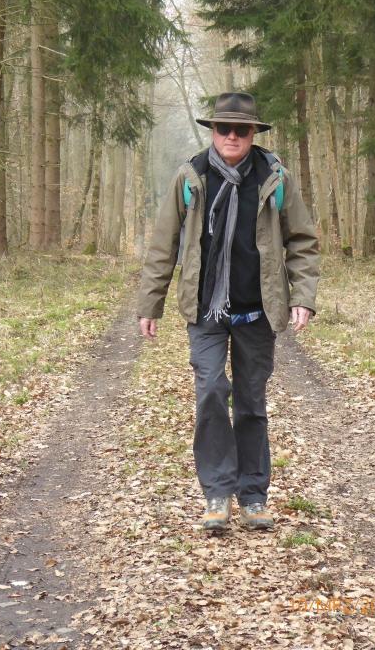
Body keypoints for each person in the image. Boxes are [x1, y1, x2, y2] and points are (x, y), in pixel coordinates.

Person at [136, 92, 320, 532]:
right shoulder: (192, 176)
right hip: (206, 311)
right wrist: (151, 303)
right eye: (224, 128)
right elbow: (164, 245)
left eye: (241, 129)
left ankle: (254, 497)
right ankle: (218, 493)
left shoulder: (274, 177)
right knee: (212, 392)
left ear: (254, 133)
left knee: (252, 403)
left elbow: (302, 242)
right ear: (213, 131)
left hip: (257, 311)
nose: (232, 136)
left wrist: (302, 296)